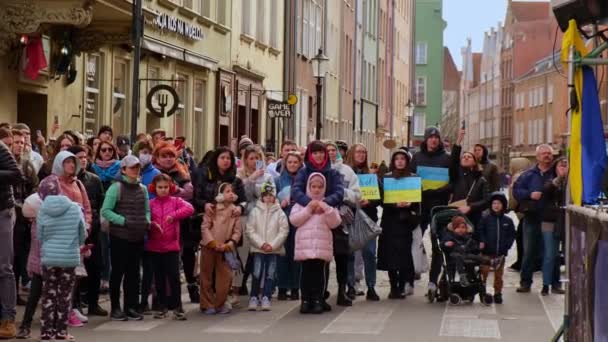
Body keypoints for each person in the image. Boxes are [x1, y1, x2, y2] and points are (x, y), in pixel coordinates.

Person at [101, 155, 151, 321]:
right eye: (131, 167)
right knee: (118, 273)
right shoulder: (116, 188)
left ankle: (131, 306)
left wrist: (147, 221)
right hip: (120, 237)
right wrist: (123, 221)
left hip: (137, 236)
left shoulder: (142, 189)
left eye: (137, 167)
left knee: (134, 273)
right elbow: (106, 211)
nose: (135, 170)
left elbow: (147, 210)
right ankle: (115, 307)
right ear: (123, 170)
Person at [36, 185, 86, 342]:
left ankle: (46, 332)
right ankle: (61, 332)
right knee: (64, 295)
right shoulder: (75, 208)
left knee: (48, 294)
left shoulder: (42, 209)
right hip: (69, 257)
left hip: (49, 257)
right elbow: (82, 233)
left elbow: (40, 235)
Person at [289, 173, 342, 314]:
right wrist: (309, 210)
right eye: (314, 186)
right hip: (305, 247)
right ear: (309, 187)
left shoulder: (327, 203)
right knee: (305, 274)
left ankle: (318, 299)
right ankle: (305, 300)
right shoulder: (302, 204)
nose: (317, 190)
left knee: (319, 275)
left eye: (320, 187)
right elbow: (294, 220)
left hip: (321, 247)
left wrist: (326, 209)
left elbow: (335, 222)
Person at [409, 126, 452, 295]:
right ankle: (411, 276)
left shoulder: (446, 159)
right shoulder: (417, 157)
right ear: (426, 139)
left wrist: (437, 191)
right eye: (431, 137)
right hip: (421, 206)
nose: (434, 140)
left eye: (436, 137)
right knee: (414, 241)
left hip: (440, 207)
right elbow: (409, 179)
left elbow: (452, 182)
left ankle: (433, 281)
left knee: (438, 245)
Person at [152, 141, 197, 303]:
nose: (168, 159)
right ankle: (161, 295)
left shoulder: (181, 172)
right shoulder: (153, 172)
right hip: (159, 222)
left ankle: (189, 288)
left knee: (185, 256)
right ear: (157, 157)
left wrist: (174, 191)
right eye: (164, 156)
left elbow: (189, 193)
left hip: (181, 222)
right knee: (162, 261)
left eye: (171, 155)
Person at [147, 174, 194, 320]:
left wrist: (174, 215)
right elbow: (145, 218)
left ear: (171, 187)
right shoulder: (150, 203)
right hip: (154, 246)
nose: (163, 190)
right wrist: (152, 225)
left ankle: (177, 306)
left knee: (173, 277)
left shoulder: (175, 201)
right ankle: (162, 306)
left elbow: (190, 208)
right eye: (160, 187)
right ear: (155, 188)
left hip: (172, 246)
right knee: (159, 278)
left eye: (166, 187)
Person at [67, 146, 107, 317]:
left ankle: (93, 303)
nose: (83, 160)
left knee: (95, 267)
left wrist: (96, 222)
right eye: (79, 157)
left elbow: (101, 203)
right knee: (75, 270)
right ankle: (75, 304)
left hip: (93, 229)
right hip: (72, 231)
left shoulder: (94, 180)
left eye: (85, 157)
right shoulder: (65, 180)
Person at [378, 149, 420, 299]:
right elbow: (382, 200)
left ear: (407, 161)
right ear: (393, 162)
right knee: (390, 255)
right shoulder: (387, 178)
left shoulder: (414, 178)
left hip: (405, 221)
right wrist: (396, 205)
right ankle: (393, 286)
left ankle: (402, 286)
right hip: (390, 221)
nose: (400, 161)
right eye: (397, 159)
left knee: (404, 255)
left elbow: (418, 200)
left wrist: (410, 204)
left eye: (403, 158)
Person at [513, 144, 556, 293]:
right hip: (532, 217)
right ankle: (525, 282)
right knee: (529, 251)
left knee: (550, 252)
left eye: (549, 153)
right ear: (537, 157)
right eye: (543, 153)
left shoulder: (556, 173)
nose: (547, 156)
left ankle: (551, 284)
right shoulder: (527, 174)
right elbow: (516, 191)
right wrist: (529, 194)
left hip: (550, 218)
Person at [326, 141, 361, 306]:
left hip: (341, 221)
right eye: (328, 150)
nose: (331, 153)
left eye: (334, 150)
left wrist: (342, 193)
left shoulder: (347, 172)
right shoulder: (317, 171)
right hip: (322, 220)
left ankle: (342, 291)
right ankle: (322, 290)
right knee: (323, 258)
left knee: (342, 257)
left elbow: (357, 196)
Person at [345, 143, 380, 301]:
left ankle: (371, 286)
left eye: (364, 152)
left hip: (368, 218)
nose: (361, 155)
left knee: (370, 253)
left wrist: (370, 202)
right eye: (358, 152)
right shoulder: (345, 173)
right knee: (351, 253)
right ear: (352, 153)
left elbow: (380, 197)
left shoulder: (371, 175)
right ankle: (351, 285)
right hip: (351, 217)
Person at [200, 182, 242, 315]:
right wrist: (212, 242)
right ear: (219, 194)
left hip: (225, 248)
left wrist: (230, 243)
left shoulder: (234, 210)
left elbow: (237, 230)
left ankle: (220, 303)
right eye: (227, 191)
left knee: (225, 277)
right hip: (209, 246)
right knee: (206, 277)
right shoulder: (212, 208)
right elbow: (205, 227)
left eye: (232, 191)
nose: (231, 193)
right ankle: (207, 304)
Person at [246, 182, 289, 311]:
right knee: (257, 273)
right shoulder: (255, 211)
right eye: (266, 195)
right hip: (259, 249)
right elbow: (250, 230)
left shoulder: (279, 213)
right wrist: (261, 244)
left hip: (273, 249)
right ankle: (254, 296)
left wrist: (273, 245)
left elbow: (283, 231)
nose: (269, 198)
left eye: (271, 195)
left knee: (270, 274)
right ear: (262, 197)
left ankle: (266, 296)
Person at [10, 130, 38, 306]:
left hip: (24, 217)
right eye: (16, 142)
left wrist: (30, 206)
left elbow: (35, 185)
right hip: (10, 213)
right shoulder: (6, 162)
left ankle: (16, 292)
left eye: (22, 142)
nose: (20, 145)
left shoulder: (27, 164)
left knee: (21, 256)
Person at [0, 140, 23, 339]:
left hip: (2, 211)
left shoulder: (0, 147)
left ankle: (8, 319)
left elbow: (17, 175)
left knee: (3, 267)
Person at [275, 151, 304, 301]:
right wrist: (280, 202)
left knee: (296, 253)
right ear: (285, 164)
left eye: (295, 162)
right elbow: (271, 198)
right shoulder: (278, 180)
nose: (292, 165)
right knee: (282, 253)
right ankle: (282, 287)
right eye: (290, 162)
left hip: (299, 218)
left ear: (300, 164)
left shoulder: (304, 179)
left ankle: (295, 287)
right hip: (282, 218)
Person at [477, 192, 516, 304]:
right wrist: (482, 242)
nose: (496, 205)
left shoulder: (507, 221)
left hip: (501, 253)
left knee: (499, 275)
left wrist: (506, 246)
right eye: (494, 203)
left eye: (499, 203)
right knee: (483, 271)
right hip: (486, 252)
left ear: (503, 205)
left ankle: (498, 293)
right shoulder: (485, 219)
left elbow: (512, 235)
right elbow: (480, 231)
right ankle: (482, 290)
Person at [441, 216, 500, 288]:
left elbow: (474, 247)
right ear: (454, 229)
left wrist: (478, 247)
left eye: (463, 228)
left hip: (466, 254)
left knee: (476, 257)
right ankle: (462, 276)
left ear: (466, 229)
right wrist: (446, 244)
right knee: (458, 256)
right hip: (453, 255)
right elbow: (442, 244)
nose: (461, 230)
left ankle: (491, 262)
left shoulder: (468, 238)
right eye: (458, 228)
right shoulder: (449, 236)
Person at [539, 157, 568, 296]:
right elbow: (547, 190)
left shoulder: (572, 183)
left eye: (566, 165)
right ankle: (546, 284)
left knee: (559, 255)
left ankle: (557, 283)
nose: (563, 168)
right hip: (550, 220)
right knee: (550, 254)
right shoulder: (550, 181)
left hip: (566, 221)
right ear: (555, 168)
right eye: (561, 166)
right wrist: (560, 178)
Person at [450, 131, 490, 228]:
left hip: (474, 218)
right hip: (457, 216)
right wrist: (458, 141)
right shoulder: (456, 174)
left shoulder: (481, 180)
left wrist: (470, 207)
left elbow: (486, 200)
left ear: (475, 162)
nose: (466, 158)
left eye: (469, 157)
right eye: (464, 157)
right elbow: (454, 159)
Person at [507, 157, 533, 272]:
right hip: (526, 210)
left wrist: (510, 207)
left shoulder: (517, 177)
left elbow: (514, 196)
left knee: (521, 238)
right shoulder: (528, 175)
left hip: (522, 211)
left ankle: (521, 262)